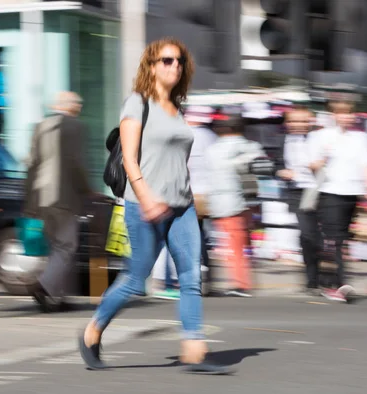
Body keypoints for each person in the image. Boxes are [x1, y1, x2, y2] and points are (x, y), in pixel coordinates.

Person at [80, 38, 230, 374]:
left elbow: (180, 160)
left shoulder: (179, 108)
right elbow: (131, 161)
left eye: (178, 61)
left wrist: (191, 193)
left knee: (191, 276)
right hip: (143, 205)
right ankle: (93, 330)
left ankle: (194, 350)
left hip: (183, 206)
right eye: (166, 60)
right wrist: (147, 197)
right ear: (151, 65)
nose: (174, 66)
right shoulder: (137, 103)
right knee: (136, 279)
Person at [308, 95, 367, 302]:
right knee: (334, 238)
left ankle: (333, 282)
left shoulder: (361, 138)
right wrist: (321, 160)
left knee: (339, 239)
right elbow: (312, 164)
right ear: (333, 115)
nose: (346, 117)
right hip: (329, 191)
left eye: (349, 113)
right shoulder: (320, 136)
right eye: (341, 113)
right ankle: (340, 283)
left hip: (352, 193)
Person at [23, 91, 91, 312]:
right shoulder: (75, 126)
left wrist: (29, 203)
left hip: (41, 196)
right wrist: (87, 190)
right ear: (70, 107)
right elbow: (76, 163)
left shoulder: (41, 125)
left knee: (56, 246)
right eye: (78, 104)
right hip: (63, 196)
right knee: (67, 245)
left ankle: (57, 296)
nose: (79, 107)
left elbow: (32, 164)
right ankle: (44, 286)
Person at [206, 106, 268, 298]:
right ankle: (243, 280)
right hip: (247, 201)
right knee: (241, 243)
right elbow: (263, 168)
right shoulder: (251, 146)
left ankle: (241, 283)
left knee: (232, 245)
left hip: (221, 203)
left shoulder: (213, 150)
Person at [275, 106, 321, 295]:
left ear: (310, 122)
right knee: (308, 234)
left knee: (317, 234)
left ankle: (320, 274)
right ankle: (312, 279)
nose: (298, 125)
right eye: (294, 121)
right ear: (287, 123)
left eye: (303, 121)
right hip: (297, 191)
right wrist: (281, 172)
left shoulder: (319, 139)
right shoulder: (282, 141)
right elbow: (275, 165)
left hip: (320, 189)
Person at [185, 105, 218, 295]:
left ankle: (197, 275)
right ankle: (206, 273)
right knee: (201, 235)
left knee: (192, 236)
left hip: (191, 194)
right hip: (208, 193)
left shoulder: (187, 135)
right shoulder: (211, 136)